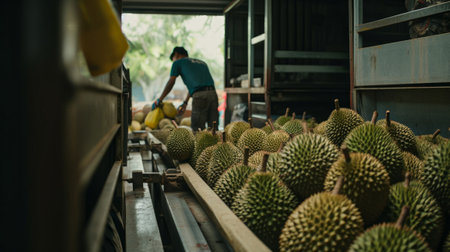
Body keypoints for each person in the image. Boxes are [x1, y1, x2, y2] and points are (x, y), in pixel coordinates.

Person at [152, 47, 218, 131]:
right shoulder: (202, 63)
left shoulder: (177, 63)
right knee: (213, 128)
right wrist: (185, 103)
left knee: (197, 129)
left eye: (173, 59)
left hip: (200, 97)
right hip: (213, 94)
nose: (173, 62)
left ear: (176, 55)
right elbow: (196, 86)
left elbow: (171, 82)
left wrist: (160, 99)